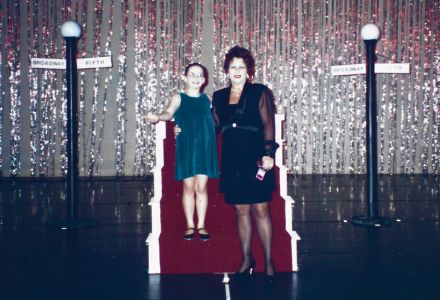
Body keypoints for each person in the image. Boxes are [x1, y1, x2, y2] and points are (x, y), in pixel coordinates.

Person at [212, 46, 278, 280]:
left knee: (261, 209)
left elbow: (269, 123)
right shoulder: (219, 96)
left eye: (241, 66)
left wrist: (269, 152)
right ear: (226, 71)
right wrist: (186, 129)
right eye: (233, 67)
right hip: (232, 158)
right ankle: (247, 258)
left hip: (256, 156)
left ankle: (269, 261)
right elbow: (214, 126)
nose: (237, 71)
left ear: (249, 70)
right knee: (240, 210)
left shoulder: (260, 91)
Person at [145, 63, 219, 241]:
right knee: (188, 186)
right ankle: (189, 224)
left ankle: (201, 224)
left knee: (201, 187)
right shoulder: (178, 98)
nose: (196, 77)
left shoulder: (208, 99)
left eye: (200, 74)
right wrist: (157, 117)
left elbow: (218, 119)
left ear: (204, 80)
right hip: (187, 146)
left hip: (204, 147)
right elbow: (168, 114)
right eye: (192, 74)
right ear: (184, 77)